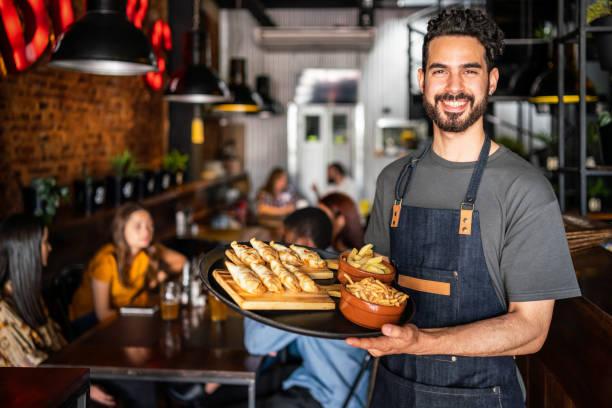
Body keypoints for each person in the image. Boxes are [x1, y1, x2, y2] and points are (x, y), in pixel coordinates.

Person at [346, 8, 581, 408]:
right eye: (440, 71)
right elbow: (374, 287)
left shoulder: (524, 189)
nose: (453, 87)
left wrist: (422, 342)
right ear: (422, 80)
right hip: (392, 391)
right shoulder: (394, 180)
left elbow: (531, 329)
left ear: (491, 81)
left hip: (482, 398)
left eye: (469, 71)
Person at [0, 213, 115, 406]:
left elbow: (58, 345)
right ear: (28, 251)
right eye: (45, 242)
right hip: (32, 395)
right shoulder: (2, 309)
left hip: (54, 385)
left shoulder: (30, 295)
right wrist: (84, 387)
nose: (50, 248)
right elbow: (31, 368)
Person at [70, 203, 187, 324]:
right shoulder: (106, 260)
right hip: (89, 320)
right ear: (121, 228)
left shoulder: (146, 251)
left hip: (126, 313)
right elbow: (103, 315)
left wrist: (159, 275)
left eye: (150, 225)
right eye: (138, 226)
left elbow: (182, 261)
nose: (146, 231)